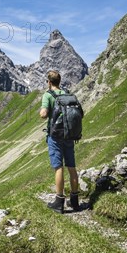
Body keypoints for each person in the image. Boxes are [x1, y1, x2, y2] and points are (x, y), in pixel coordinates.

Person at [39, 70, 80, 213]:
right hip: (69, 135)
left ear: (49, 82)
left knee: (58, 167)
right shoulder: (67, 94)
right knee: (71, 167)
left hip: (55, 136)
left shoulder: (47, 95)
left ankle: (59, 202)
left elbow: (44, 114)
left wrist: (43, 111)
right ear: (59, 81)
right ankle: (75, 201)